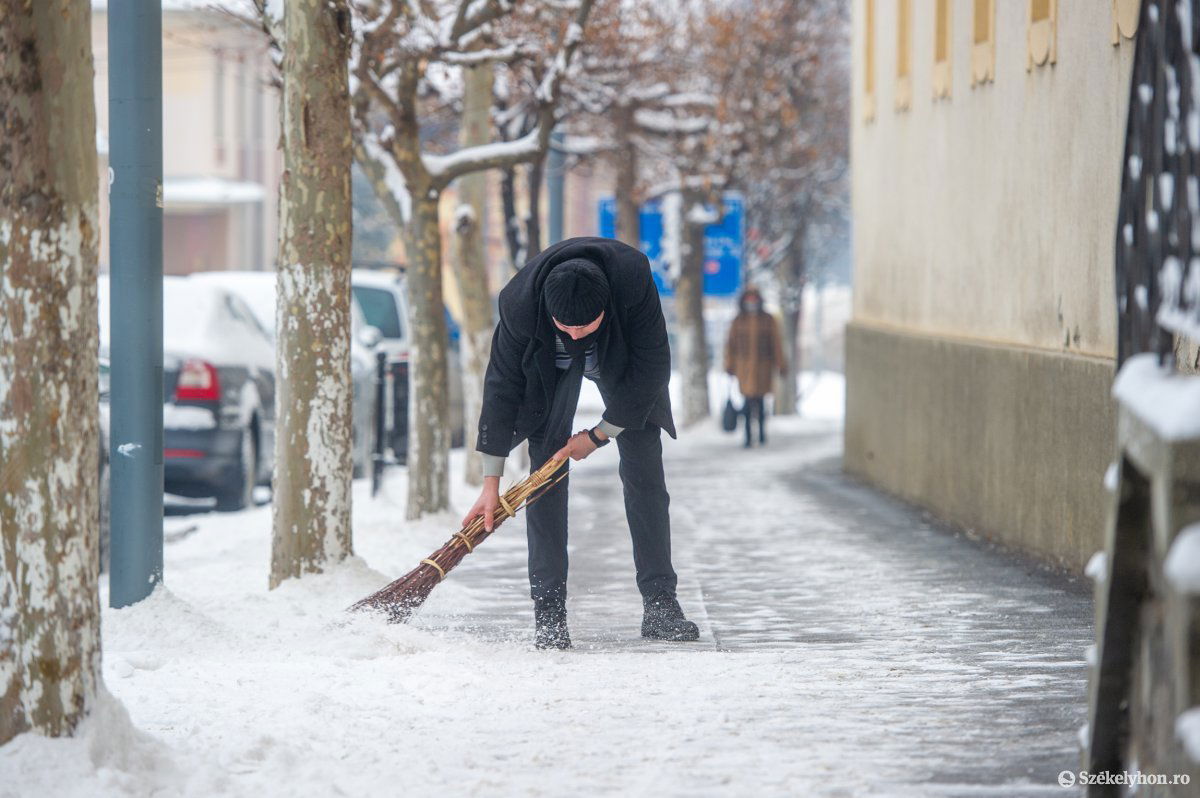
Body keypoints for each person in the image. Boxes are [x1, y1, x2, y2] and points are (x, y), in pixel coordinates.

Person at [462, 237, 700, 650]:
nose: (573, 334)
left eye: (583, 326)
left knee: (645, 472)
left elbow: (653, 367)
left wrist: (598, 436)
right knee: (544, 476)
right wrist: (490, 483)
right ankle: (549, 615)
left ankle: (661, 604)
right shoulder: (519, 302)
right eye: (565, 326)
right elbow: (501, 388)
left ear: (606, 308)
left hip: (624, 364)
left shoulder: (632, 279)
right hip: (548, 375)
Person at [724, 287, 785, 448]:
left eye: (754, 299)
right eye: (749, 300)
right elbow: (730, 345)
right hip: (743, 369)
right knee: (747, 401)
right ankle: (748, 436)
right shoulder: (738, 320)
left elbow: (776, 344)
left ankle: (762, 433)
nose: (752, 303)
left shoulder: (768, 319)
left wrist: (781, 364)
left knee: (761, 401)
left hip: (763, 368)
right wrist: (729, 365)